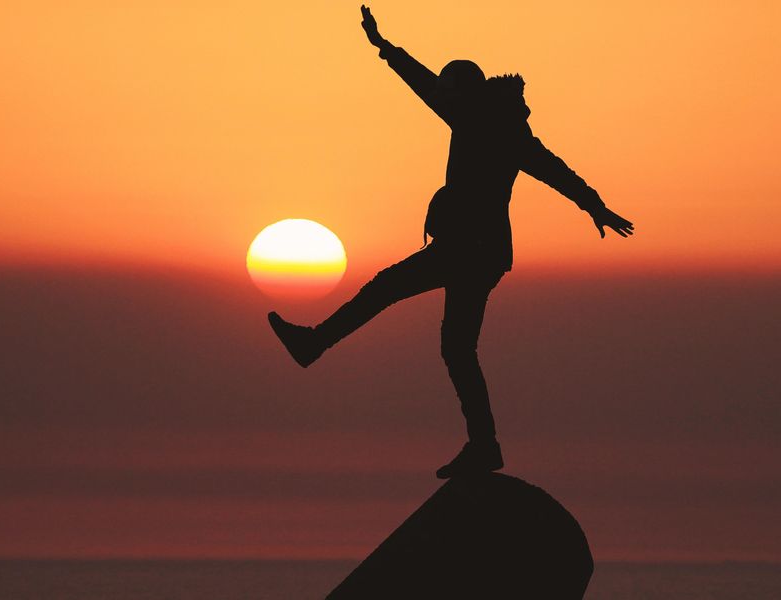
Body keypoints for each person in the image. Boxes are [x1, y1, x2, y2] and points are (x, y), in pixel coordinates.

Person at [269, 5, 634, 478]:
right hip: (483, 254)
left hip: (467, 249)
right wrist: (594, 205)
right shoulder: (505, 125)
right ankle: (484, 446)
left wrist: (386, 50)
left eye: (448, 91)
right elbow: (554, 168)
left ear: (461, 91)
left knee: (388, 290)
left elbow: (427, 87)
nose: (443, 99)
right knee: (457, 348)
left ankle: (314, 345)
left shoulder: (476, 117)